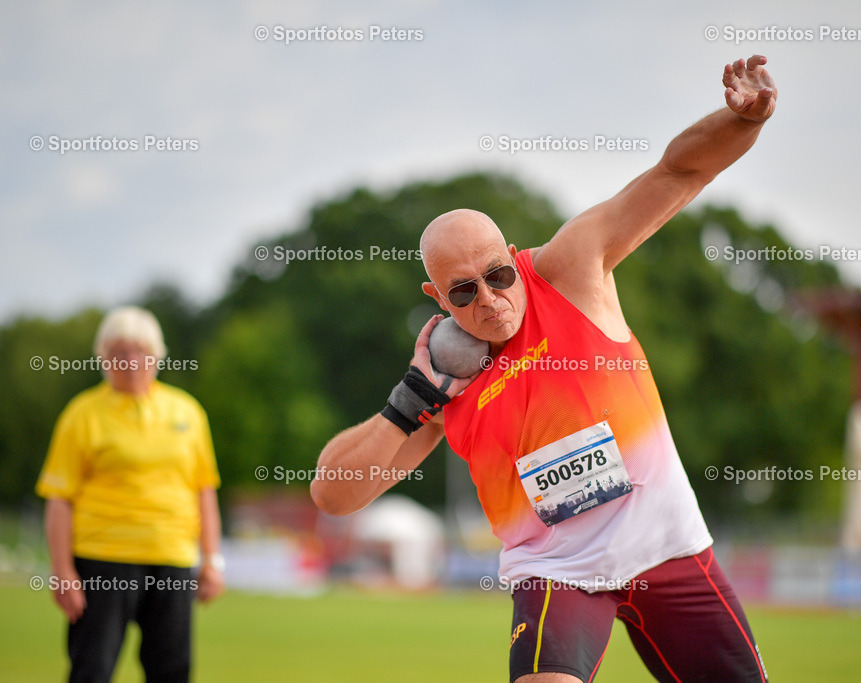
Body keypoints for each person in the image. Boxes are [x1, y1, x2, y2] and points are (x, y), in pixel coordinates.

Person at [312, 55, 776, 682]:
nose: (490, 299)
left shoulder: (571, 268)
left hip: (667, 549)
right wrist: (413, 397)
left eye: (497, 275)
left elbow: (678, 172)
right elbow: (335, 494)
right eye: (463, 292)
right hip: (557, 574)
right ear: (436, 298)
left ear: (513, 256)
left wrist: (739, 118)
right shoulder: (444, 380)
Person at [36, 306, 224, 683]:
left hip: (171, 557)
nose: (131, 361)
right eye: (119, 352)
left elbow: (204, 491)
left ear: (157, 355)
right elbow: (59, 498)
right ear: (103, 356)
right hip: (103, 558)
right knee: (92, 669)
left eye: (141, 352)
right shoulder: (82, 414)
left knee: (171, 671)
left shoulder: (187, 411)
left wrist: (211, 561)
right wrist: (62, 571)